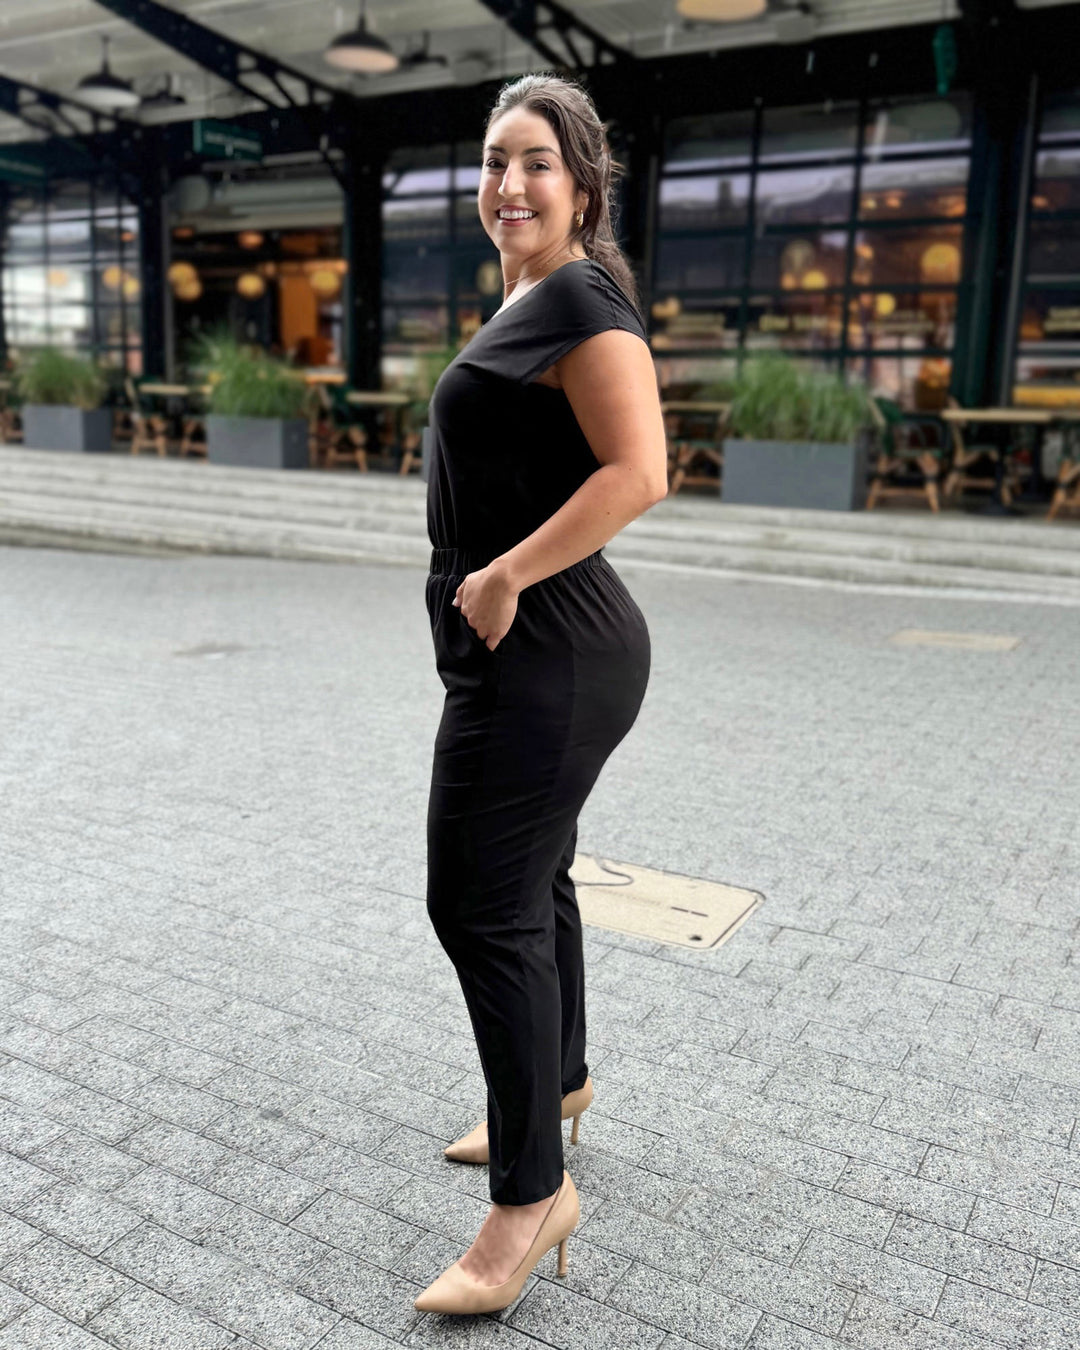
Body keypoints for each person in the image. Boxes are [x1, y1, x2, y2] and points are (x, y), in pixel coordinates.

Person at [415, 72, 668, 1316]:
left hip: (549, 650)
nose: (508, 183)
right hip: (535, 648)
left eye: (536, 163)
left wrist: (506, 571)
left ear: (582, 186)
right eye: (494, 160)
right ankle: (554, 1089)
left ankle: (531, 1199)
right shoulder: (530, 292)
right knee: (533, 881)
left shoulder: (578, 296)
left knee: (475, 900)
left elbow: (641, 469)